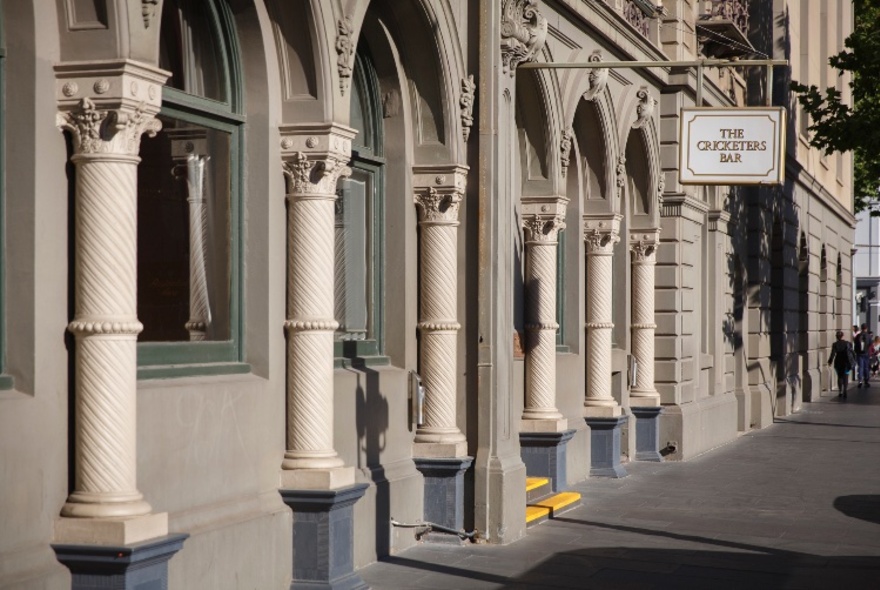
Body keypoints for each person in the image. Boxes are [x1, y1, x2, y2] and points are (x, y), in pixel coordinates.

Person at [828, 330, 855, 398]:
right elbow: (852, 353)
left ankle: (840, 391)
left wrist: (830, 361)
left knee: (840, 377)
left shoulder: (835, 344)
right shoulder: (848, 343)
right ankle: (845, 390)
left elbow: (833, 354)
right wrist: (854, 360)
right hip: (846, 362)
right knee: (846, 376)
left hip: (838, 362)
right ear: (843, 336)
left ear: (836, 337)